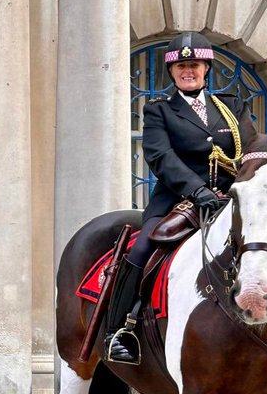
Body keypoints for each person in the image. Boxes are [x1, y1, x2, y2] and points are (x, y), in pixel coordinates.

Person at [105, 31, 245, 363]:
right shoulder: (159, 112)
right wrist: (197, 191)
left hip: (227, 200)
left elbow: (248, 150)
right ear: (171, 71)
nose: (188, 71)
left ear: (206, 68)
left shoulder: (231, 108)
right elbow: (160, 157)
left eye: (194, 65)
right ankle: (119, 330)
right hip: (176, 201)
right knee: (142, 248)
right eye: (181, 66)